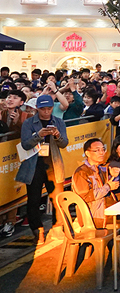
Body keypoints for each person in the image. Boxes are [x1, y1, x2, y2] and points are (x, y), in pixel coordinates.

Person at [15, 95, 69, 244]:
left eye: (49, 108)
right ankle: (37, 231)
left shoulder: (58, 121)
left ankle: (57, 228)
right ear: (37, 108)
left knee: (57, 198)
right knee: (33, 200)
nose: (46, 112)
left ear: (53, 108)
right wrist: (38, 135)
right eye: (43, 109)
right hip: (34, 165)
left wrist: (57, 135)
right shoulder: (29, 123)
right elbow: (25, 144)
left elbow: (64, 143)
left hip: (53, 163)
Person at [71, 138, 120, 228]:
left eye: (103, 149)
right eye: (97, 150)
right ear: (87, 153)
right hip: (94, 217)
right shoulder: (82, 172)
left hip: (108, 211)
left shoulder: (102, 168)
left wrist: (113, 175)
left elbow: (114, 186)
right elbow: (85, 196)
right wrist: (108, 186)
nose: (101, 153)